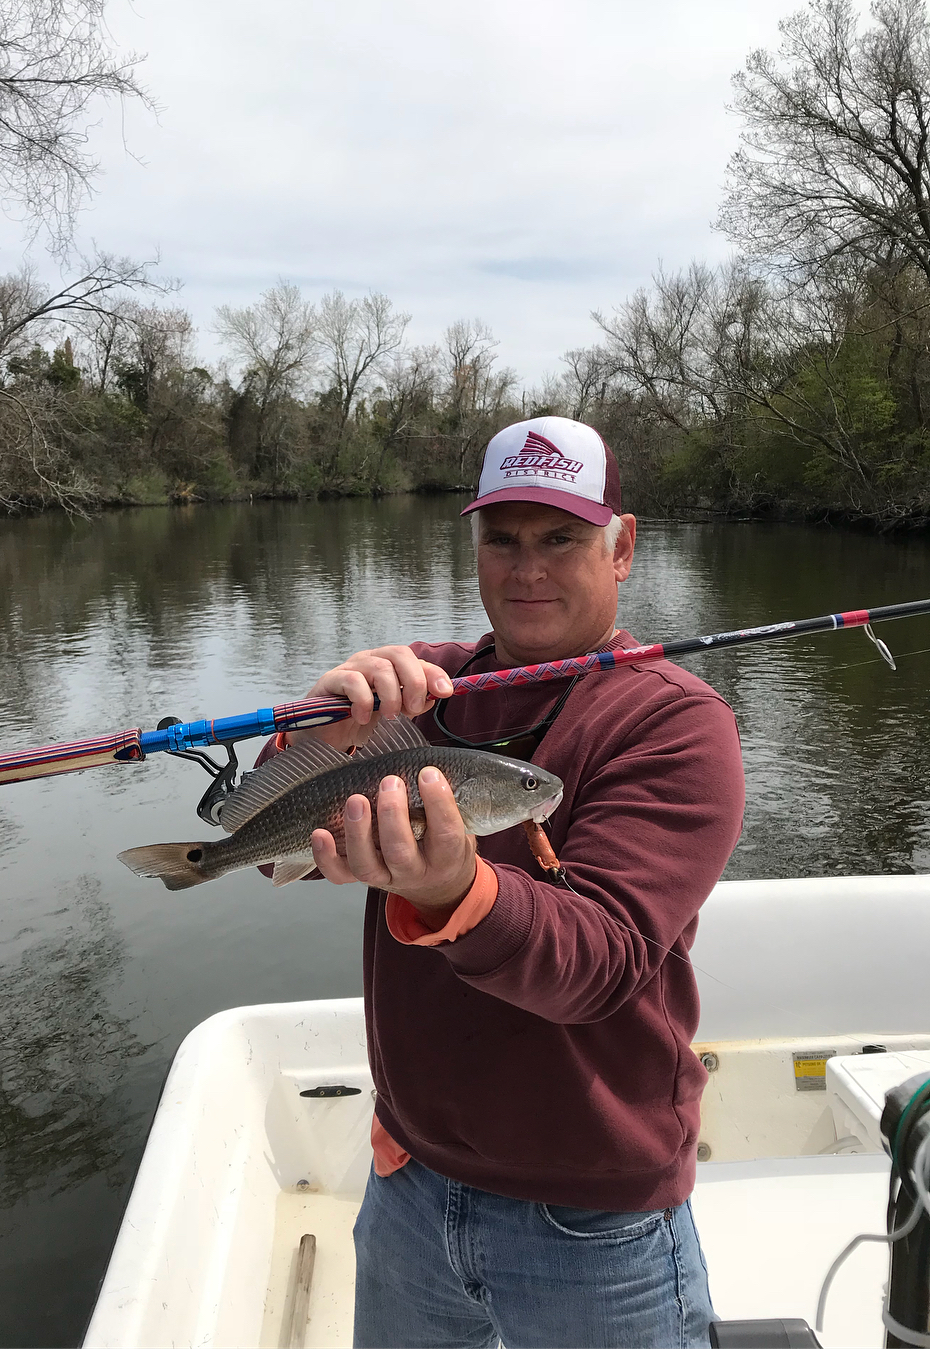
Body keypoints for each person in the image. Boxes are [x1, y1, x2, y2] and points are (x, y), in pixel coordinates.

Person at [268, 416, 745, 1349]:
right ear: (474, 542)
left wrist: (457, 889)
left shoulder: (675, 725)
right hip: (408, 1186)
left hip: (593, 1228)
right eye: (503, 538)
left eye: (561, 538)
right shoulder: (422, 692)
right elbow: (281, 819)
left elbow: (602, 963)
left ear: (623, 545)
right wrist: (315, 734)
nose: (527, 569)